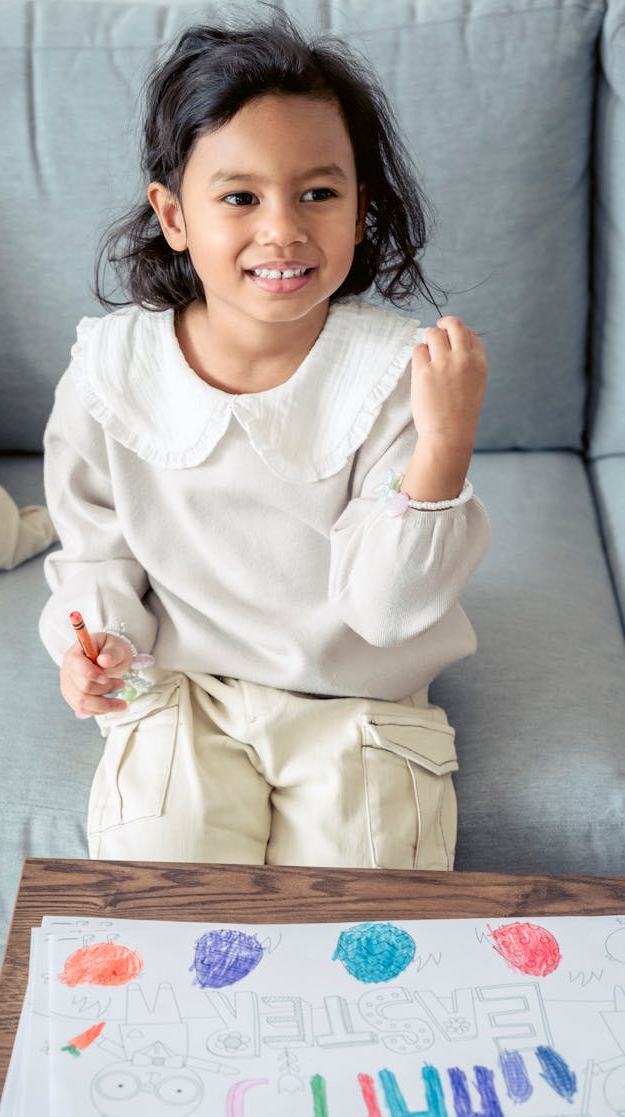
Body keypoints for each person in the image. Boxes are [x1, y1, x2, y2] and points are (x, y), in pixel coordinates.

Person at [39, 14, 490, 871]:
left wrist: (445, 448)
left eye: (318, 193)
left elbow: (388, 610)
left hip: (357, 697)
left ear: (362, 209)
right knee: (162, 901)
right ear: (173, 214)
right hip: (181, 691)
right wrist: (95, 647)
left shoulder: (395, 372)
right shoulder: (110, 369)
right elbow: (95, 550)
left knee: (362, 918)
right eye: (240, 197)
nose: (283, 229)